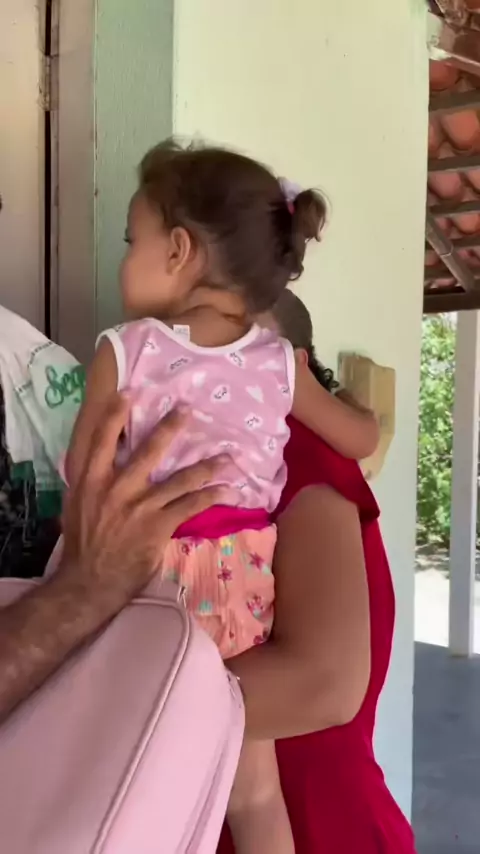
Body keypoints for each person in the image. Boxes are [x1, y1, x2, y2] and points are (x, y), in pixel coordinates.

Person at [64, 139, 378, 854]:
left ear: (178, 251)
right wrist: (365, 413)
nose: (123, 260)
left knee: (128, 786)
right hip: (240, 584)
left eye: (131, 241)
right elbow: (358, 438)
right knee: (256, 795)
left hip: (146, 576)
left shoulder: (126, 350)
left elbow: (84, 476)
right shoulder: (278, 362)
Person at [218, 291, 417, 854]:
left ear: (295, 367)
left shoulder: (294, 449)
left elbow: (322, 684)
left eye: (241, 345)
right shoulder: (232, 459)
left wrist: (115, 698)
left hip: (316, 823)